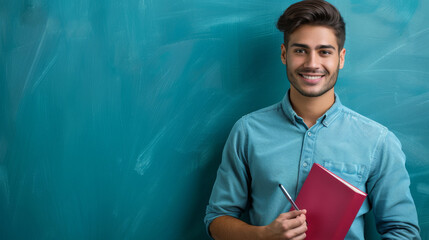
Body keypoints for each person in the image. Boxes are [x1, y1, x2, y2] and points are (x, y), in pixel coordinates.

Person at [204, 0, 421, 239]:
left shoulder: (378, 141)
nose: (312, 64)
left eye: (324, 52)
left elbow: (403, 231)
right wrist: (265, 235)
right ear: (284, 54)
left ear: (341, 58)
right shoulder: (247, 132)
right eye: (300, 50)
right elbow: (217, 220)